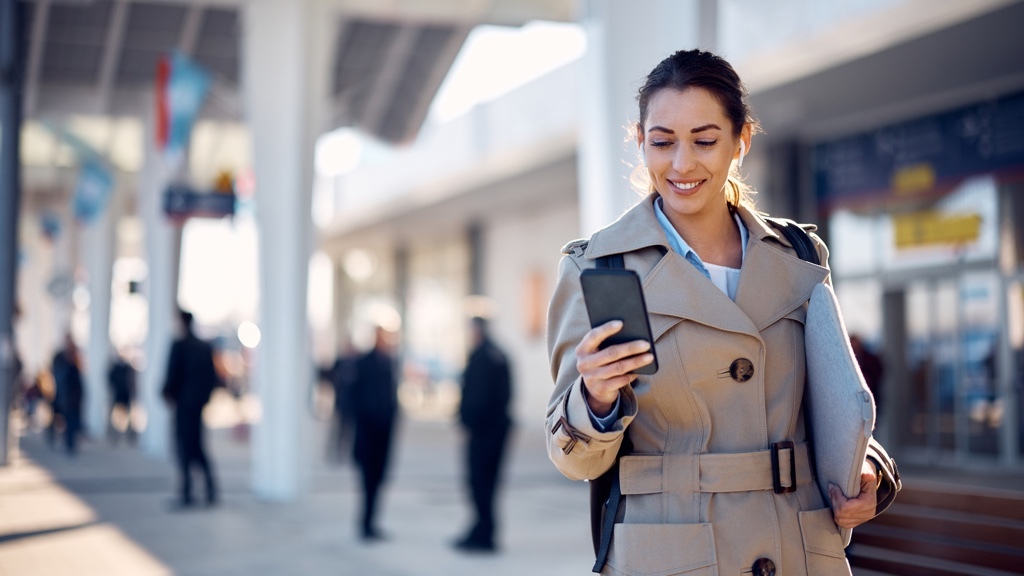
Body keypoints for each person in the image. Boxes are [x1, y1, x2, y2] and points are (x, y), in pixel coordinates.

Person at [545, 49, 900, 576]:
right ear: (640, 143)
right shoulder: (598, 267)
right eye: (662, 142)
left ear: (742, 141)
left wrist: (868, 470)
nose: (682, 164)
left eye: (705, 141)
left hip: (799, 547)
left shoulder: (799, 255)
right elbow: (575, 459)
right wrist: (595, 399)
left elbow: (833, 404)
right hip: (673, 555)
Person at [454, 317, 513, 553]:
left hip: (484, 432)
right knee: (487, 484)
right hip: (495, 429)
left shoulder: (482, 357)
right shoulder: (498, 354)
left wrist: (467, 421)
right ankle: (482, 529)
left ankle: (484, 534)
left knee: (480, 483)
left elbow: (477, 397)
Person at [163, 309, 221, 509]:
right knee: (198, 447)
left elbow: (171, 376)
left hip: (184, 407)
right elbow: (212, 379)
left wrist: (168, 394)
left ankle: (188, 492)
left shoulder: (179, 346)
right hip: (196, 407)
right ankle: (211, 490)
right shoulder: (204, 347)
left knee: (184, 449)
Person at [350, 326, 399, 541]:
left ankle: (372, 522)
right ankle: (366, 523)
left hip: (383, 434)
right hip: (368, 433)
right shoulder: (364, 363)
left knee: (378, 479)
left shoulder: (388, 363)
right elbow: (353, 398)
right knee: (368, 480)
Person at [50, 333, 84, 457]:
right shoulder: (60, 358)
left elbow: (80, 378)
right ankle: (59, 440)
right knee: (59, 419)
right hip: (63, 394)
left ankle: (70, 445)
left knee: (71, 422)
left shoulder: (76, 358)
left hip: (73, 397)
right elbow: (57, 375)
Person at [107, 349, 137, 444]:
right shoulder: (115, 367)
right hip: (117, 394)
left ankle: (129, 436)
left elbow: (132, 379)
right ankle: (114, 435)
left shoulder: (128, 367)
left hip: (126, 394)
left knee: (128, 415)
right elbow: (110, 378)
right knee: (115, 415)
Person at [850, 335, 884, 415]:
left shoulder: (871, 359)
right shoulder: (848, 361)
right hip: (854, 401)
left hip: (872, 398)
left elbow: (879, 371)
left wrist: (869, 379)